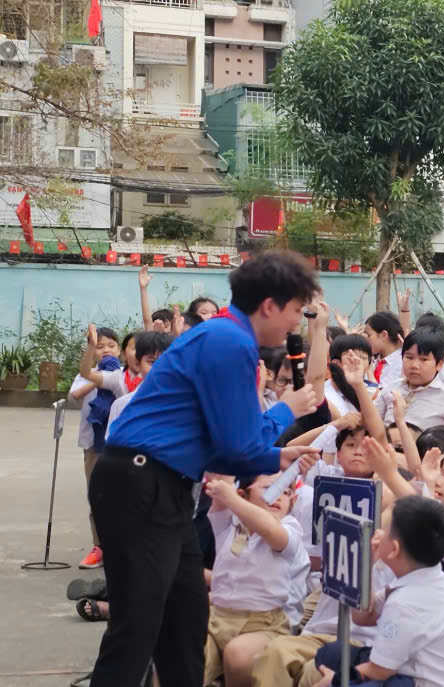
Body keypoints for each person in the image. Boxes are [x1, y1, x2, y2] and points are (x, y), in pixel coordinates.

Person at [89, 249, 323, 686]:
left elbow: (219, 446)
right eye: (296, 310)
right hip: (142, 484)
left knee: (184, 624)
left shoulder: (223, 336)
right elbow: (236, 447)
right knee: (137, 628)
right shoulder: (229, 341)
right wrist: (285, 410)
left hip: (160, 485)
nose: (296, 323)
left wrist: (276, 456)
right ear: (269, 305)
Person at [312, 495, 444, 687]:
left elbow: (379, 671)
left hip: (422, 682)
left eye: (386, 529)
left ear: (394, 549)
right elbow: (363, 617)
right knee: (330, 654)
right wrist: (367, 564)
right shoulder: (427, 576)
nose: (378, 532)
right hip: (405, 670)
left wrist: (334, 681)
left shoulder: (406, 603)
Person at [202, 473, 309, 687]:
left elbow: (269, 529)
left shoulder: (289, 527)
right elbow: (222, 477)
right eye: (269, 488)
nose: (278, 495)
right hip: (217, 617)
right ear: (244, 495)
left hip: (265, 624)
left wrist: (232, 499)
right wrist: (228, 495)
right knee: (183, 650)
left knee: (238, 654)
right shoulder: (229, 522)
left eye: (286, 491)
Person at [69, 325, 120, 569]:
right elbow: (74, 397)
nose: (106, 350)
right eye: (100, 346)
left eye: (111, 345)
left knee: (125, 498)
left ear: (120, 350)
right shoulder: (87, 374)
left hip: (121, 447)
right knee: (97, 496)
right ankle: (99, 546)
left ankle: (122, 547)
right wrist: (97, 379)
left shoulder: (124, 375)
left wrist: (111, 378)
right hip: (93, 446)